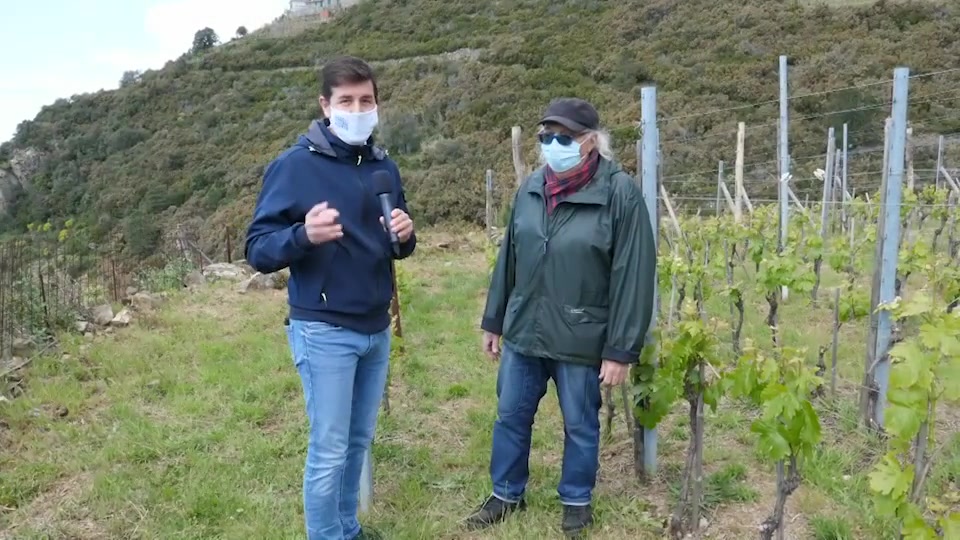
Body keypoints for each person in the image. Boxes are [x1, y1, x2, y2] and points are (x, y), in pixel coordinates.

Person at [466, 98, 656, 537]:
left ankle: (575, 500)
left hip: (581, 335)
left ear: (591, 142)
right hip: (525, 330)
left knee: (580, 423)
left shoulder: (619, 193)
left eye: (564, 137)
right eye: (546, 137)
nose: (553, 144)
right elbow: (508, 259)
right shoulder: (531, 188)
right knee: (510, 414)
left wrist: (621, 349)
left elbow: (634, 275)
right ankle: (505, 494)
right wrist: (495, 320)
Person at [244, 55, 416, 540]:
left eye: (366, 100)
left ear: (377, 104)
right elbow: (257, 249)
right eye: (346, 101)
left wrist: (405, 233)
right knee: (329, 448)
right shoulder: (295, 167)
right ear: (325, 105)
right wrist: (303, 234)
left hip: (375, 327)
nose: (357, 109)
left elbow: (395, 246)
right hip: (323, 330)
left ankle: (347, 528)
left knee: (358, 441)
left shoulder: (384, 167)